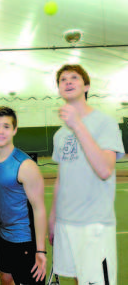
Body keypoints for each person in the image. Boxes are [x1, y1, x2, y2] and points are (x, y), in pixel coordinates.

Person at [49, 64, 125, 285]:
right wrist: (54, 217)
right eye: (63, 79)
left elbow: (104, 170)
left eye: (74, 77)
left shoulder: (105, 123)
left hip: (95, 224)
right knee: (77, 280)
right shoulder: (60, 134)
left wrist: (77, 125)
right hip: (66, 222)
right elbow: (62, 177)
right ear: (59, 89)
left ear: (87, 86)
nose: (68, 81)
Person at [0, 106, 47, 285]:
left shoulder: (26, 166)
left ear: (14, 130)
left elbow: (39, 209)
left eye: (6, 126)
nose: (1, 131)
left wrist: (41, 251)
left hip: (25, 239)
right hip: (3, 235)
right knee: (5, 277)